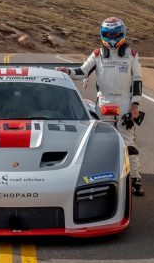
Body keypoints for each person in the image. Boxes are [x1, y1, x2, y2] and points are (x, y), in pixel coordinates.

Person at [60, 17, 145, 196]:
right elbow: (82, 71)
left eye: (115, 34)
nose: (112, 37)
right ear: (102, 34)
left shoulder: (132, 54)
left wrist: (135, 105)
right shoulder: (97, 54)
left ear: (122, 33)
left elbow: (137, 81)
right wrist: (67, 71)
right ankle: (106, 177)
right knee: (101, 141)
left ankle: (135, 179)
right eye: (108, 34)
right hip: (104, 101)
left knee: (128, 139)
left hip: (125, 102)